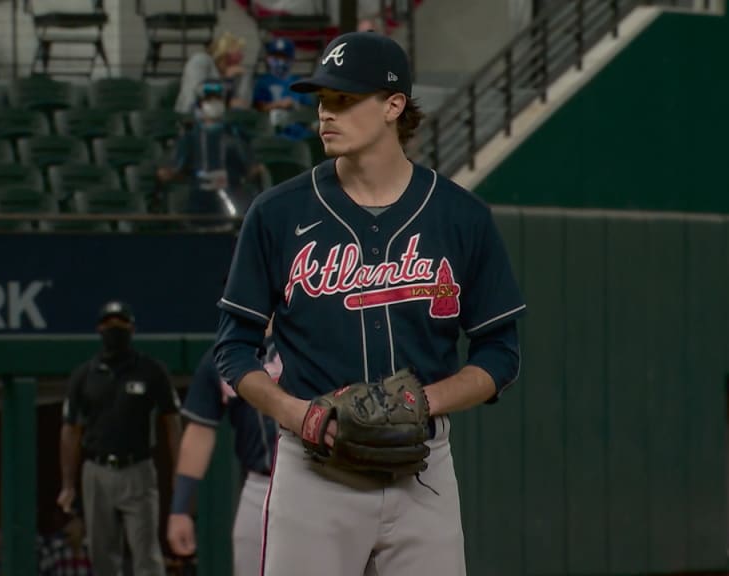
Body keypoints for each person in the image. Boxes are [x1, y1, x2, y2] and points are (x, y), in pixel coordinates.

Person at [213, 31, 526, 576]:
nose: (325, 115)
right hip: (314, 472)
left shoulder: (461, 217)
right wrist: (296, 412)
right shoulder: (276, 214)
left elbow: (500, 353)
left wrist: (426, 401)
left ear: (393, 105)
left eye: (343, 100)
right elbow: (233, 348)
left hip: (423, 472)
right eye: (321, 101)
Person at [58, 300, 182, 576]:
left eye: (121, 324)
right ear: (99, 329)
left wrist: (179, 471)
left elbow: (172, 420)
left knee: (146, 556)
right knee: (102, 557)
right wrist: (67, 484)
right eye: (108, 324)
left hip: (138, 470)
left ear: (132, 328)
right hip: (96, 471)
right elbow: (70, 429)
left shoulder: (150, 370)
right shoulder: (84, 375)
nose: (115, 329)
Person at [166, 327, 282, 576]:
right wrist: (180, 509)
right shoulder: (224, 355)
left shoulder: (315, 338)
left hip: (323, 479)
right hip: (260, 486)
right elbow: (199, 432)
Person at [158, 80, 261, 223]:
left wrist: (233, 179)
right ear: (200, 104)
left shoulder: (235, 135)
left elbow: (252, 169)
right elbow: (167, 172)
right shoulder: (190, 137)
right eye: (209, 100)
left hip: (231, 196)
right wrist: (195, 179)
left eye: (217, 99)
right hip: (198, 199)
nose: (213, 103)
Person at [175, 31, 253, 114]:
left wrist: (245, 76)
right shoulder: (200, 61)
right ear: (224, 52)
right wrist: (227, 80)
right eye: (238, 52)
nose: (241, 57)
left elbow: (243, 103)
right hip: (191, 114)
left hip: (221, 118)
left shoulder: (235, 71)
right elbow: (199, 90)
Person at [253, 37, 315, 140]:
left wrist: (295, 107)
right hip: (271, 132)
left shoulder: (299, 82)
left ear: (291, 60)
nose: (280, 61)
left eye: (284, 57)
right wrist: (279, 104)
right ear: (268, 58)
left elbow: (309, 111)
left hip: (298, 133)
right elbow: (258, 108)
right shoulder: (262, 82)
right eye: (276, 56)